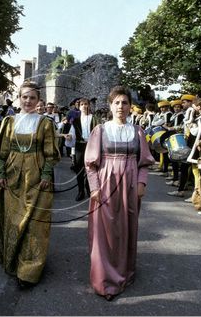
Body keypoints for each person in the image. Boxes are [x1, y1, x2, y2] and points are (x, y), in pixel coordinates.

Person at [84, 85, 155, 301]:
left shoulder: (137, 131)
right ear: (110, 105)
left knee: (125, 230)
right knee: (104, 232)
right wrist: (94, 187)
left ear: (130, 107)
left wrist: (142, 183)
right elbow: (90, 164)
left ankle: (123, 272)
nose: (121, 107)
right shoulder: (101, 130)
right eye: (116, 102)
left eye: (125, 103)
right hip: (105, 185)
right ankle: (104, 279)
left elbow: (144, 163)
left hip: (131, 187)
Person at [0, 81, 60, 288]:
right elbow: (0, 152)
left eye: (32, 98)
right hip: (12, 177)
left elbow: (51, 154)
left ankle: (29, 270)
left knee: (34, 224)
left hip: (37, 177)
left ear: (38, 100)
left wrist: (47, 175)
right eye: (25, 97)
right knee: (13, 220)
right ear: (19, 98)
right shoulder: (9, 122)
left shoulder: (45, 123)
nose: (28, 101)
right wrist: (1, 173)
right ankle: (12, 260)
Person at [68, 98, 99, 201]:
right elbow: (72, 133)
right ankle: (80, 191)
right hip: (79, 146)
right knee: (79, 169)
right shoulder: (75, 120)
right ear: (79, 106)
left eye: (86, 104)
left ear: (89, 105)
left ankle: (89, 188)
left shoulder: (94, 118)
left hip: (91, 146)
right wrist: (69, 137)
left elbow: (98, 132)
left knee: (91, 168)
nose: (84, 106)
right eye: (82, 104)